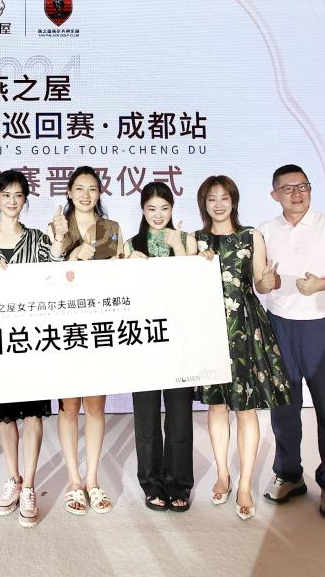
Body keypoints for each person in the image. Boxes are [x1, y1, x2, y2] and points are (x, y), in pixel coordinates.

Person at [257, 164, 325, 519]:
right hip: (279, 327)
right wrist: (264, 284)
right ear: (275, 195)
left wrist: (322, 284)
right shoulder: (265, 231)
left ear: (310, 190)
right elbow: (259, 282)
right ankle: (289, 475)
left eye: (302, 186)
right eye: (288, 188)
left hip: (323, 328)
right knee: (284, 409)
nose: (297, 193)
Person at [0, 169, 65, 528]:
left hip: (31, 337)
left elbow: (54, 270)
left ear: (26, 200)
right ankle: (13, 478)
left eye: (18, 195)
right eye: (6, 194)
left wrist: (58, 241)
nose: (12, 201)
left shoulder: (37, 238)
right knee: (5, 415)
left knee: (33, 414)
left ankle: (30, 485)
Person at [192, 175, 291, 521]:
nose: (218, 205)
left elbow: (261, 284)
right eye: (211, 199)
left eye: (224, 198)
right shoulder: (196, 240)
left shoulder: (252, 236)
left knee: (246, 409)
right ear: (204, 204)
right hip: (210, 329)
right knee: (217, 405)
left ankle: (245, 484)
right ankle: (223, 474)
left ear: (234, 201)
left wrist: (268, 280)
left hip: (245, 328)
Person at [49, 165, 123, 515]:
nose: (85, 195)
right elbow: (46, 277)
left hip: (99, 326)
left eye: (92, 188)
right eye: (79, 188)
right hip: (65, 326)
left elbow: (119, 276)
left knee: (95, 406)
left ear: (99, 193)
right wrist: (67, 250)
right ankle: (73, 481)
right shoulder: (57, 226)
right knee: (69, 406)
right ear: (69, 192)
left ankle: (92, 480)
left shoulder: (112, 229)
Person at [123, 181, 197, 513]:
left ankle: (179, 484)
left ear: (172, 209)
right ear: (142, 210)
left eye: (164, 208)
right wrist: (128, 265)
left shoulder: (186, 240)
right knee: (147, 419)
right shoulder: (131, 244)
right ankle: (152, 484)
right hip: (143, 340)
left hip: (180, 340)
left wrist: (179, 247)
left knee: (180, 417)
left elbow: (192, 287)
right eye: (151, 208)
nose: (157, 215)